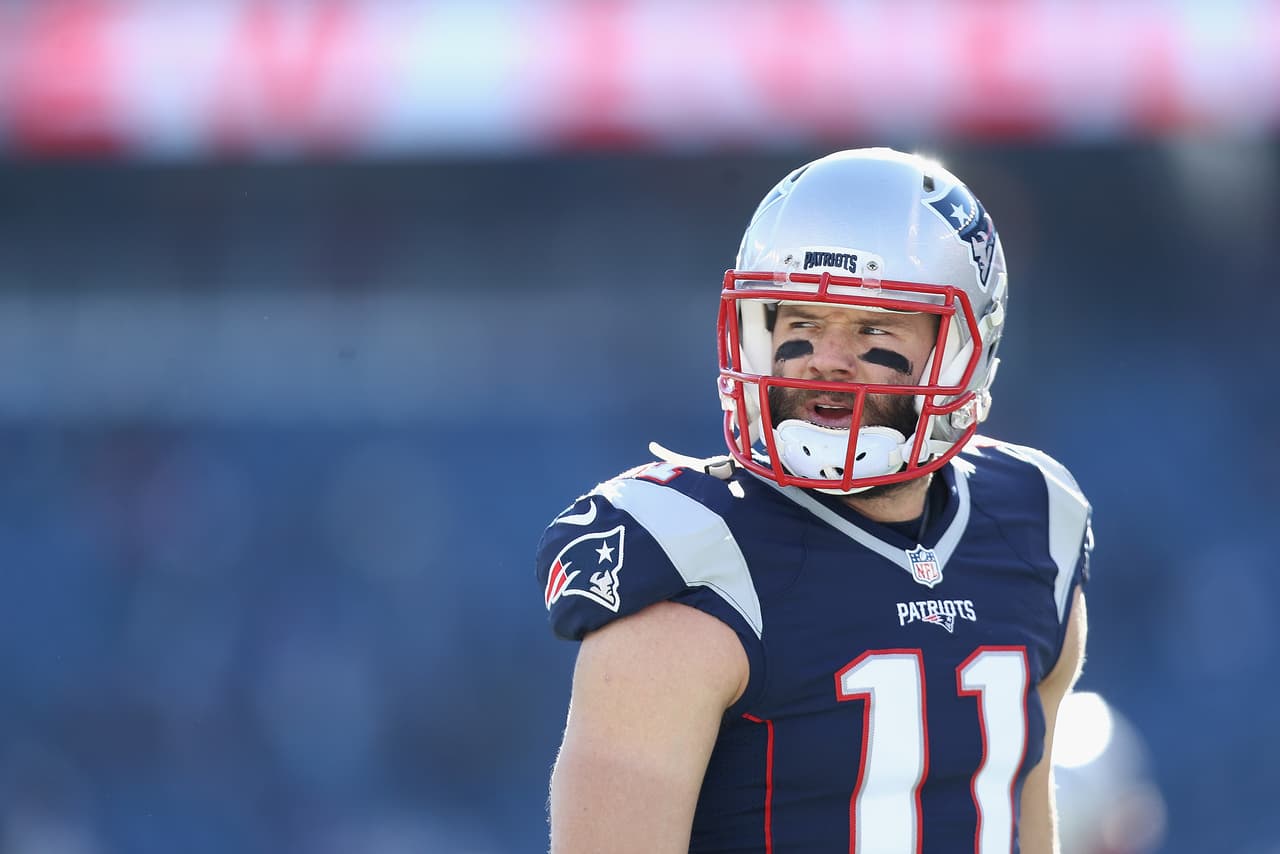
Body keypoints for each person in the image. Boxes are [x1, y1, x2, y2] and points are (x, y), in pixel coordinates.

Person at [535, 148, 1092, 853]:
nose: (827, 357)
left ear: (960, 352)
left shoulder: (1036, 523)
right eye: (801, 322)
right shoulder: (693, 566)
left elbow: (1026, 826)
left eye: (873, 328)